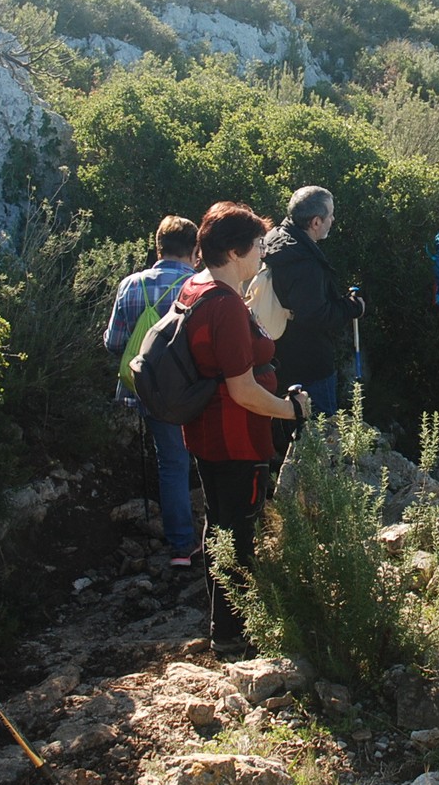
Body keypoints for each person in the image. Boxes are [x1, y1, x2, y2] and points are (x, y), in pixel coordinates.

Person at [175, 202, 311, 657]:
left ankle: (224, 624)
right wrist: (290, 411)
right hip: (236, 436)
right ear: (234, 252)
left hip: (205, 431)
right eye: (256, 246)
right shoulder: (226, 304)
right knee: (237, 532)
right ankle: (235, 634)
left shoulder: (195, 286)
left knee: (219, 524)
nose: (262, 253)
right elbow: (243, 390)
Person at [103, 215, 201, 568]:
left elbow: (114, 343)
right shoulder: (199, 285)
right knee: (208, 459)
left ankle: (181, 548)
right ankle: (219, 540)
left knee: (172, 462)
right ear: (195, 249)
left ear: (157, 246)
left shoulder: (131, 285)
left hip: (150, 391)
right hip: (196, 389)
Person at [262, 186, 365, 417]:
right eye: (330, 215)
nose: (333, 220)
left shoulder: (274, 240)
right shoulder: (306, 263)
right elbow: (316, 316)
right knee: (320, 426)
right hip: (310, 363)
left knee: (286, 423)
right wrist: (353, 307)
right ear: (316, 222)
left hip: (276, 355)